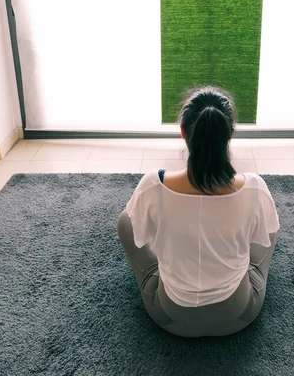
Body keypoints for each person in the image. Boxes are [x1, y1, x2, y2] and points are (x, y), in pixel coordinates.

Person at [117, 86, 279, 338]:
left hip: (169, 317)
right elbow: (264, 233)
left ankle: (162, 274)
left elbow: (137, 231)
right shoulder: (254, 187)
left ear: (183, 132)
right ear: (230, 134)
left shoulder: (152, 185)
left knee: (126, 221)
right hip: (238, 316)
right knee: (269, 227)